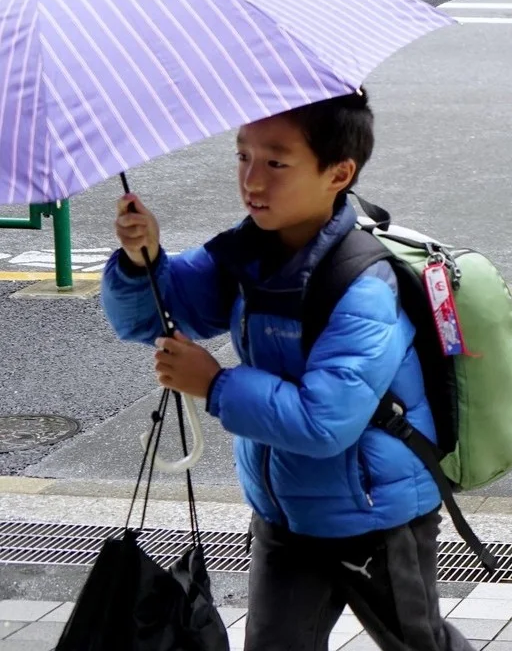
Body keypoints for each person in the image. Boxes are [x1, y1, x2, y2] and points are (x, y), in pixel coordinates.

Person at [101, 91, 472, 651]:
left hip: (377, 517)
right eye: (243, 156)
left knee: (418, 645)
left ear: (338, 173)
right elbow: (158, 313)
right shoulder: (247, 254)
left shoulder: (365, 288)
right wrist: (142, 260)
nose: (252, 180)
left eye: (276, 163)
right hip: (285, 514)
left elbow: (325, 422)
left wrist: (215, 384)